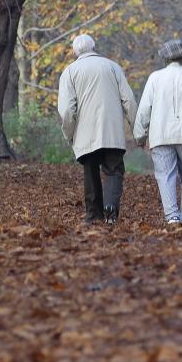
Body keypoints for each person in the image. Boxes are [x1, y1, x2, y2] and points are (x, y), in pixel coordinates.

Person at [57, 34, 137, 224]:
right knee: (114, 170)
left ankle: (93, 216)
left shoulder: (70, 72)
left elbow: (67, 109)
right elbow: (129, 101)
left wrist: (69, 133)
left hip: (85, 133)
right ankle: (110, 207)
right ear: (94, 47)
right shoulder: (113, 67)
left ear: (75, 51)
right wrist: (138, 130)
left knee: (90, 171)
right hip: (112, 131)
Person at [134, 39, 182, 225]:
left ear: (164, 59)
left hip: (161, 135)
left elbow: (144, 109)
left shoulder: (154, 78)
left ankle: (172, 217)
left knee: (165, 175)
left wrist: (140, 134)